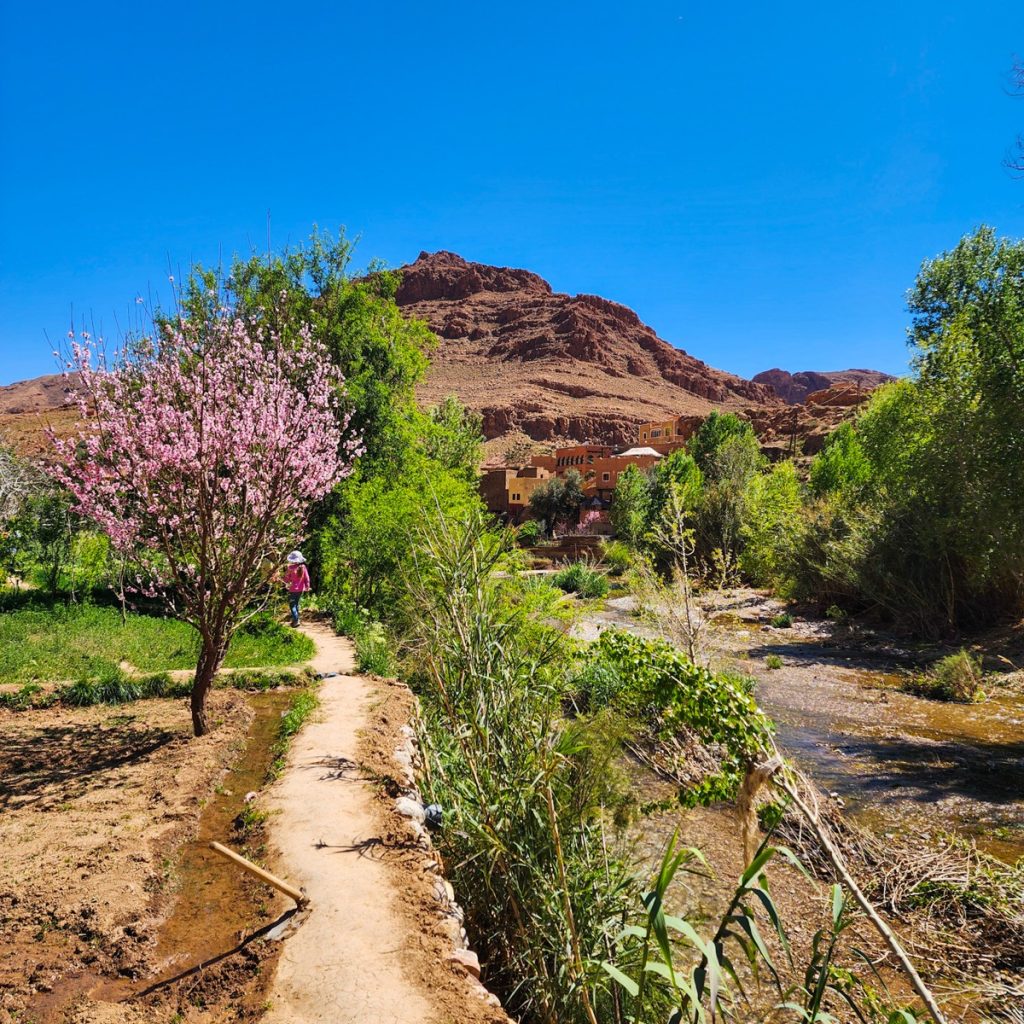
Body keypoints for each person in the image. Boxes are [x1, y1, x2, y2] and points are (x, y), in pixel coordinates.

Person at [284, 551, 311, 626]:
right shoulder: (303, 567)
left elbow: (286, 578)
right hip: (301, 589)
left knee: (292, 605)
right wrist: (307, 586)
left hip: (292, 590)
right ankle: (296, 619)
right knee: (296, 604)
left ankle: (296, 620)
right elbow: (307, 578)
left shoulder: (290, 568)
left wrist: (284, 581)